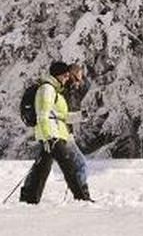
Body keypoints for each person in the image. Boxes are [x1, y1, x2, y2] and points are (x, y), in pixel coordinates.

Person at [19, 60, 93, 204]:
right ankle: (83, 199)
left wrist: (80, 116)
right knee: (69, 167)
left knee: (42, 168)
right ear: (58, 75)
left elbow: (61, 117)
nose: (67, 78)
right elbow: (42, 115)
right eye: (65, 75)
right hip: (52, 136)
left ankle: (29, 199)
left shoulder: (54, 90)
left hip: (56, 134)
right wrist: (48, 138)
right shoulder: (47, 89)